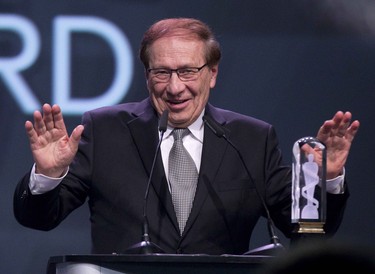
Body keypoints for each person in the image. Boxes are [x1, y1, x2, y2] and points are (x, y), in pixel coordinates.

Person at [13, 17, 360, 255]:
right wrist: (48, 175)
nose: (175, 87)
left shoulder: (252, 139)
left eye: (188, 71)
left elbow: (306, 236)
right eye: (162, 72)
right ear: (147, 76)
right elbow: (39, 219)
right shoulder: (105, 130)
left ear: (212, 74)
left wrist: (322, 180)